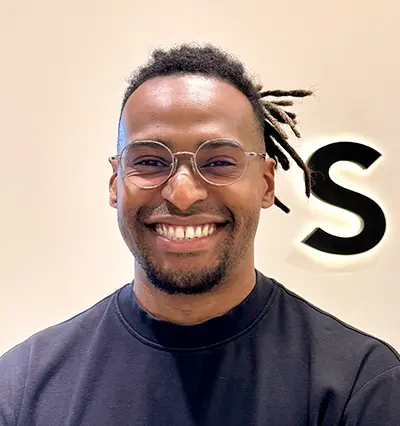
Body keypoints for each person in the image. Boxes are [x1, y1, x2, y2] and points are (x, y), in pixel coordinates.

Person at [0, 44, 399, 426]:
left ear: (266, 183)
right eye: (150, 161)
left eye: (219, 162)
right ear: (115, 183)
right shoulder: (22, 389)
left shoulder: (361, 387)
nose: (183, 194)